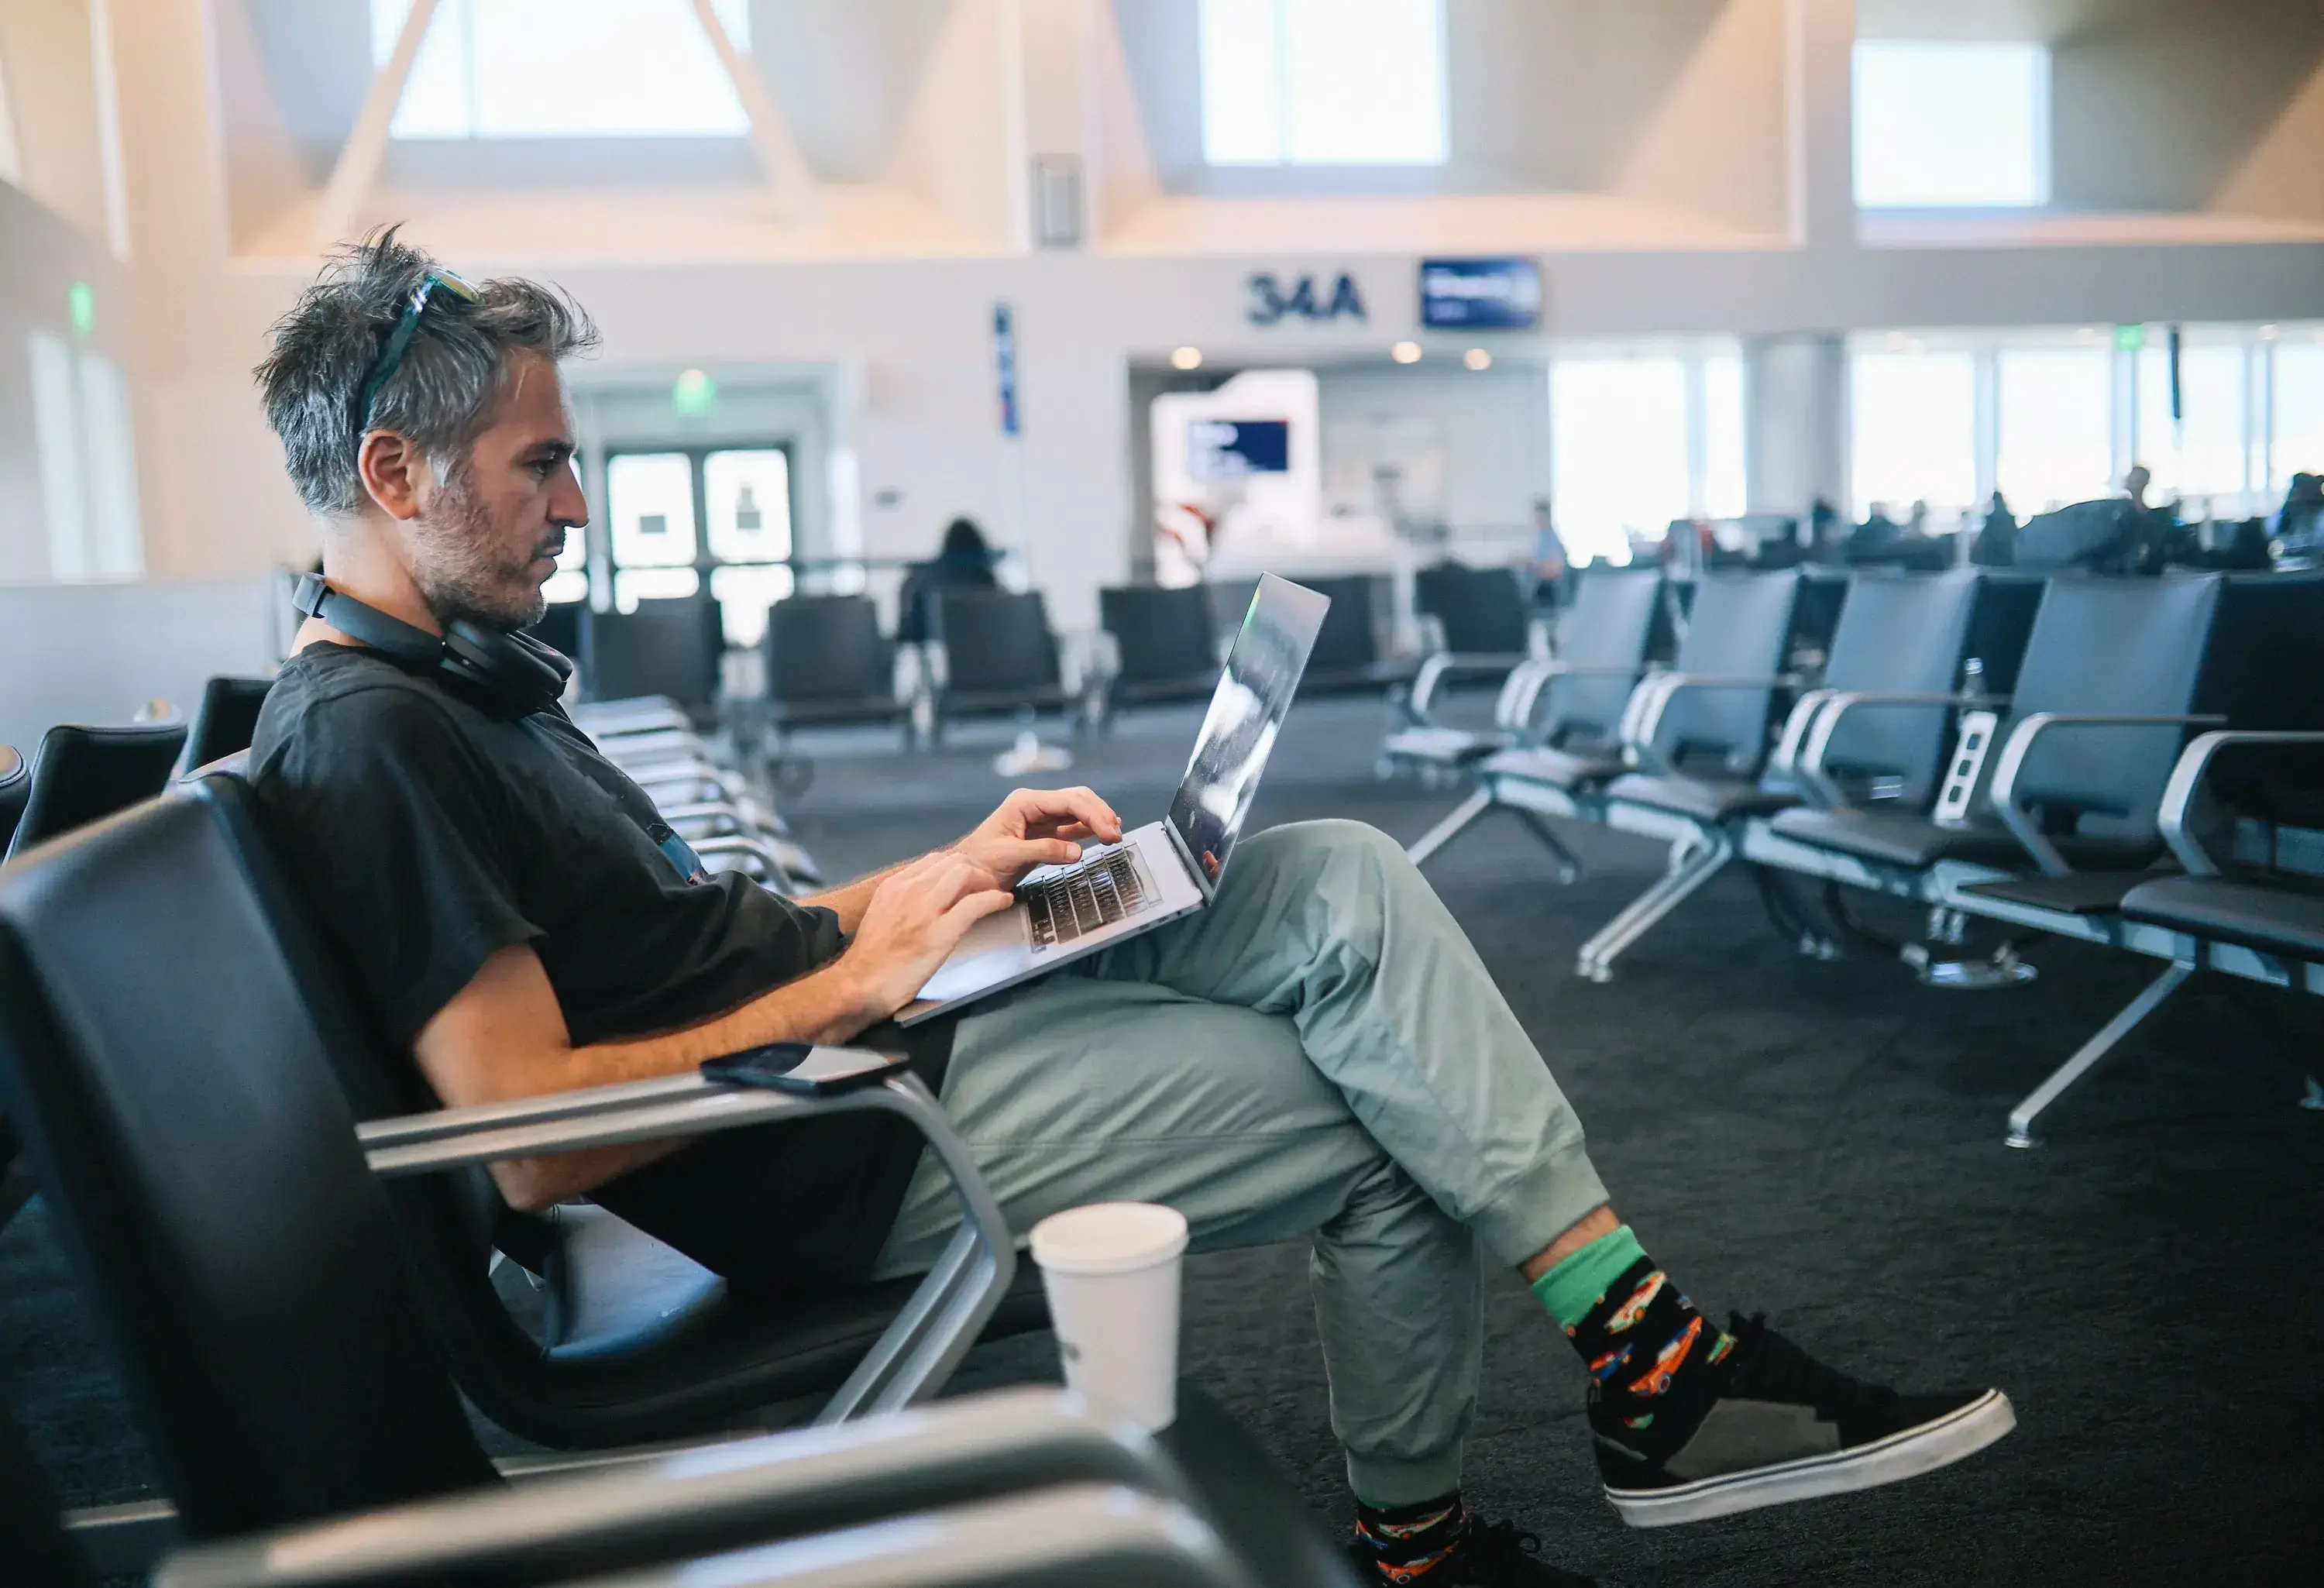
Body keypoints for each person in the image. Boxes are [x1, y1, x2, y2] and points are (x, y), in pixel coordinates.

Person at [247, 235, 2013, 1588]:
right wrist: (857, 974)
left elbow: (699, 933)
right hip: (842, 1136)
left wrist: (941, 871)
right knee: (1391, 1114)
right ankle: (1519, 1474)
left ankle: (1640, 1353)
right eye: (540, 463)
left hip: (875, 1019)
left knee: (1333, 870)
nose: (574, 500)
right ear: (398, 474)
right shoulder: (371, 733)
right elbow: (532, 1131)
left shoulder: (460, 684)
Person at [896, 516, 1000, 645]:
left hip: (937, 650)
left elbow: (908, 632)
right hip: (980, 650)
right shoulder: (985, 581)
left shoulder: (924, 581)